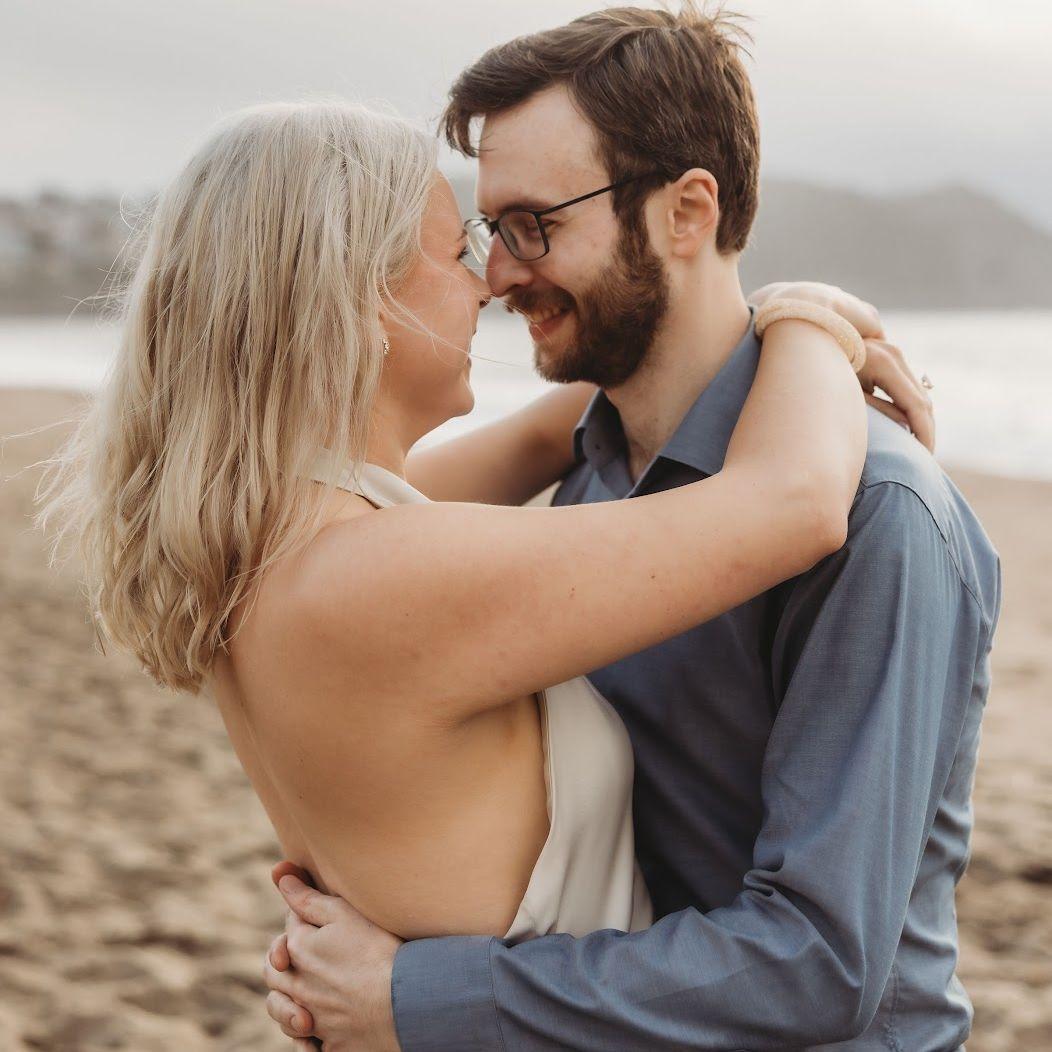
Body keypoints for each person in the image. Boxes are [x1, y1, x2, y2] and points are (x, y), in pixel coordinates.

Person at [261, 7, 1001, 1052]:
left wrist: (420, 994)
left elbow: (819, 961)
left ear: (686, 212)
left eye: (534, 224)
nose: (497, 275)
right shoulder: (589, 475)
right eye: (489, 230)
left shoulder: (877, 511)